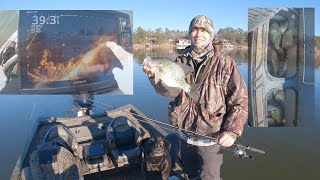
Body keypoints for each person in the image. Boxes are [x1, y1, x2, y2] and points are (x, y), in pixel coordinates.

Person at [143, 15, 248, 180]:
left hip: (211, 141)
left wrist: (232, 131)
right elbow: (170, 92)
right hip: (184, 137)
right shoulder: (180, 60)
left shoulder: (226, 63)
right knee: (191, 175)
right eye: (194, 30)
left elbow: (239, 101)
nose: (198, 34)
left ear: (211, 34)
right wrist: (154, 77)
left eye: (203, 30)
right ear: (189, 33)